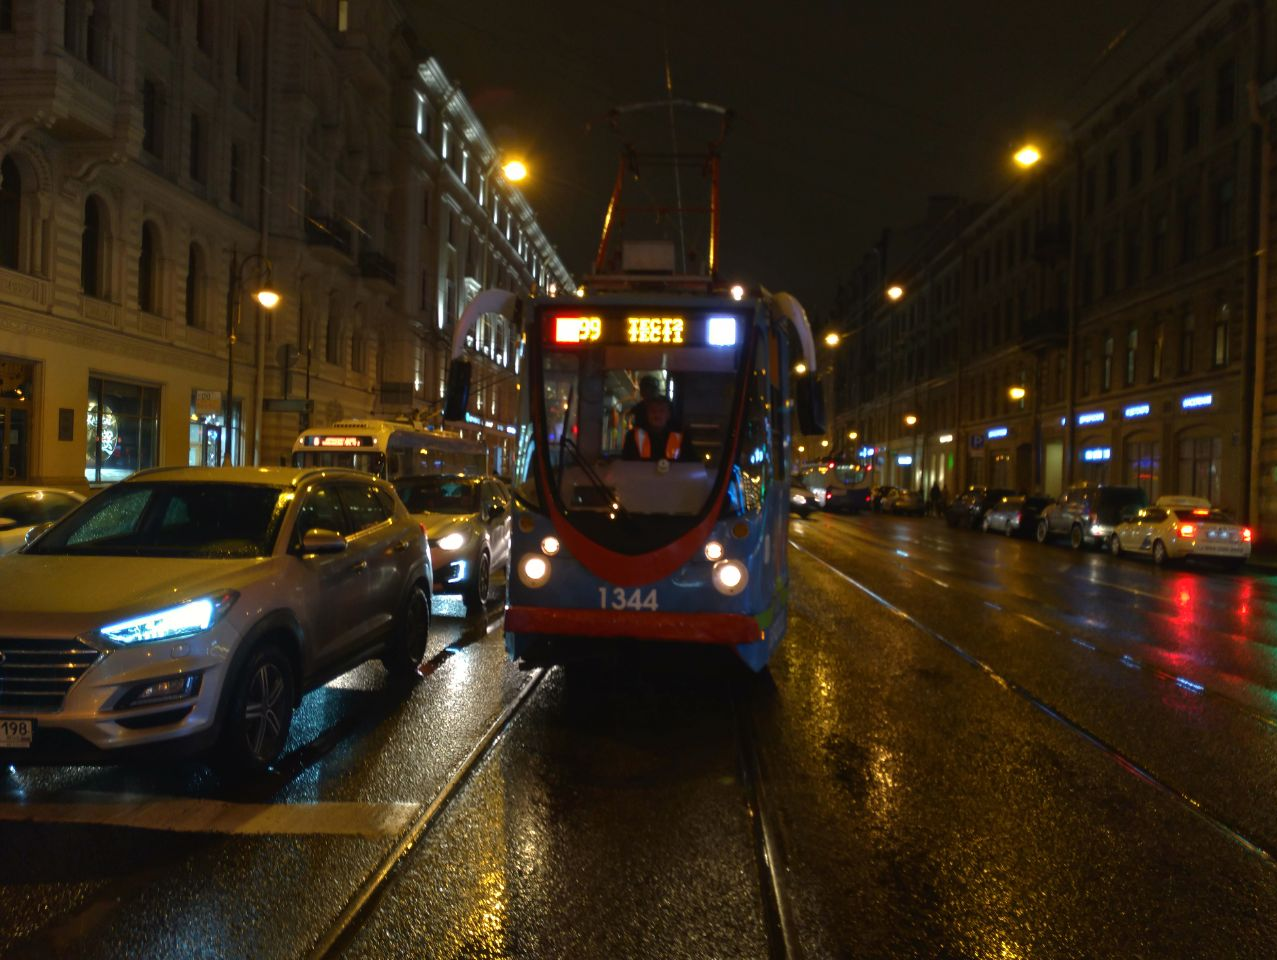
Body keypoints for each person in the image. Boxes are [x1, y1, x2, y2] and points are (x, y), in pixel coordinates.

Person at [622, 395, 683, 461]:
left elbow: (687, 464)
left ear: (668, 415)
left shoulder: (681, 438)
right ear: (647, 414)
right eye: (653, 411)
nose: (657, 415)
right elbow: (625, 463)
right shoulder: (632, 436)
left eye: (662, 411)